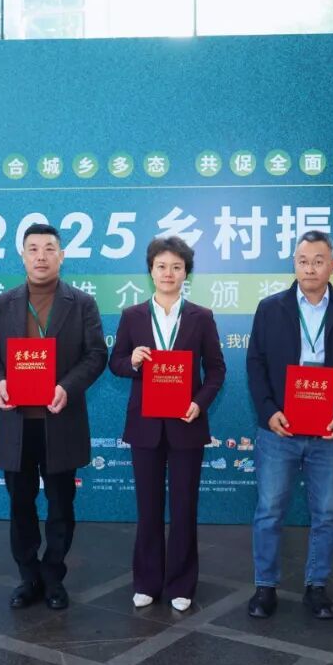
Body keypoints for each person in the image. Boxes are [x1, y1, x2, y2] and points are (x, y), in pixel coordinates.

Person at [0, 223, 108, 611]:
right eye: (33, 249)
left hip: (59, 420)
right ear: (22, 256)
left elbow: (96, 355)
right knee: (20, 504)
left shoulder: (81, 303)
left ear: (61, 256)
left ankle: (53, 576)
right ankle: (28, 576)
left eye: (49, 248)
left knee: (60, 504)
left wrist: (67, 386)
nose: (41, 256)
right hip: (16, 422)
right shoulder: (4, 303)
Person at [245, 230, 333, 619]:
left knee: (327, 514)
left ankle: (317, 587)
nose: (310, 268)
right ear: (294, 264)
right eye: (303, 261)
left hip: (327, 431)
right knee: (269, 510)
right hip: (279, 429)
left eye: (318, 261)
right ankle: (265, 587)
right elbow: (255, 364)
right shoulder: (270, 308)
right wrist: (269, 411)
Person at [109, 236, 226, 612]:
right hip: (145, 425)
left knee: (184, 507)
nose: (168, 273)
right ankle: (146, 581)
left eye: (176, 267)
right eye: (161, 266)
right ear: (151, 271)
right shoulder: (132, 316)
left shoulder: (201, 317)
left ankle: (181, 583)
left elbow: (216, 370)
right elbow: (115, 362)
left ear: (186, 273)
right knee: (148, 508)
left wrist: (198, 403)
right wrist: (133, 362)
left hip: (186, 423)